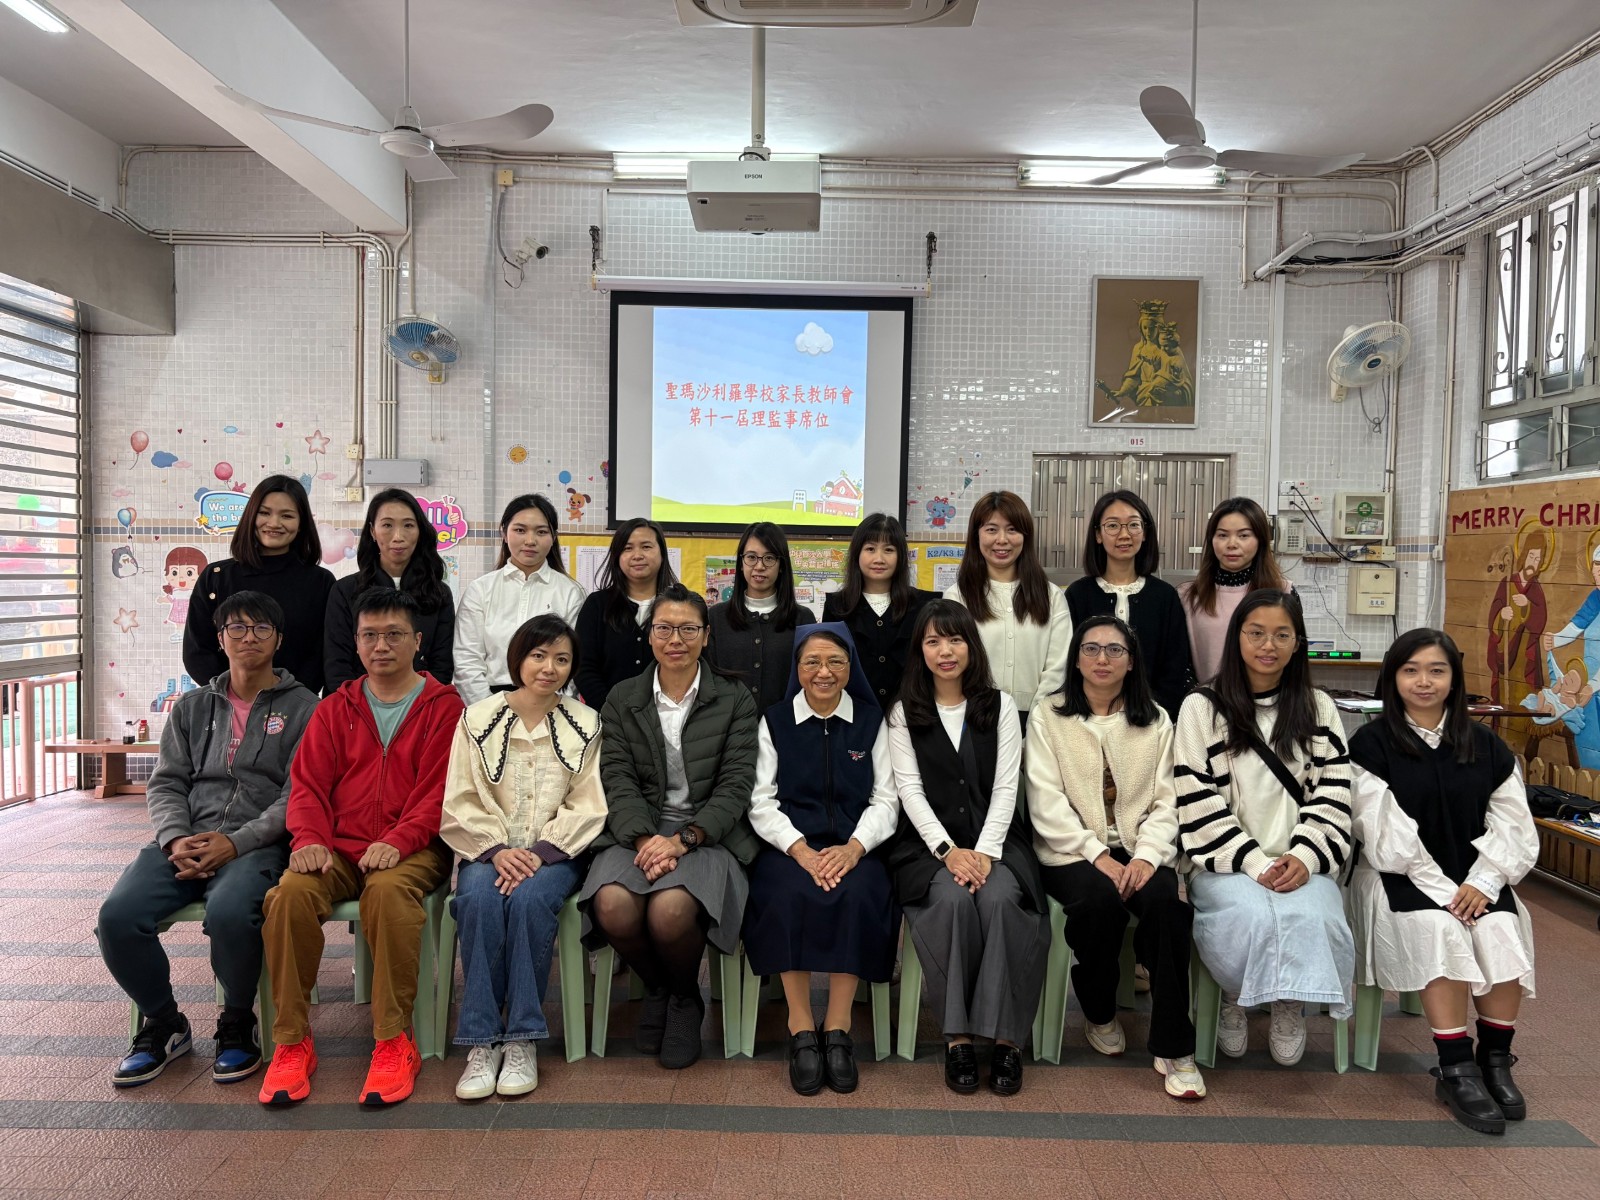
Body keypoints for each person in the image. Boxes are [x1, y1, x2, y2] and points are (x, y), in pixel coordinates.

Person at [97, 592, 317, 1087]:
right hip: (185, 841)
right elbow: (166, 782)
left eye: (261, 629)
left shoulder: (305, 708)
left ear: (279, 639)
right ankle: (163, 1022)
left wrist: (235, 843)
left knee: (232, 912)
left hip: (255, 845)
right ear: (220, 639)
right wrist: (176, 839)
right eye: (237, 628)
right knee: (118, 916)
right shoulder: (193, 706)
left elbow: (297, 795)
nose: (248, 638)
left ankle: (237, 1020)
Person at [256, 589, 464, 1108]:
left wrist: (398, 840)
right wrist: (309, 840)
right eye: (370, 635)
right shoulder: (334, 708)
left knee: (389, 894)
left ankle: (393, 1040)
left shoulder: (445, 707)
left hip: (415, 847)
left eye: (394, 634)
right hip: (339, 848)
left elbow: (439, 792)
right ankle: (291, 1042)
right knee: (289, 895)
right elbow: (307, 787)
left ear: (417, 641)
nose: (381, 646)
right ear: (356, 642)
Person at [1349, 629, 1537, 1135]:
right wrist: (1447, 892)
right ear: (1393, 678)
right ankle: (1455, 1068)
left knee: (1500, 928)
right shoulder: (1371, 744)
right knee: (1442, 929)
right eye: (1410, 670)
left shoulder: (1486, 745)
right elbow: (1384, 834)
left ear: (1454, 678)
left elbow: (1513, 825)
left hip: (1474, 876)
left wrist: (1485, 881)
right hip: (1397, 874)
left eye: (1437, 670)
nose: (1424, 681)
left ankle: (1495, 1060)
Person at [577, 583, 759, 1070]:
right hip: (637, 829)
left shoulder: (734, 698)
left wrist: (683, 840)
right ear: (650, 634)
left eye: (687, 629)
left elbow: (736, 786)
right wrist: (645, 839)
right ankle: (665, 987)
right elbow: (615, 779)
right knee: (612, 904)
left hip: (709, 834)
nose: (675, 639)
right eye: (664, 628)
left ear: (706, 636)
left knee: (671, 910)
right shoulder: (622, 698)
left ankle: (683, 1000)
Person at [1174, 588, 1354, 1066]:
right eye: (1256, 633)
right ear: (1237, 638)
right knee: (1250, 915)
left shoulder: (1318, 707)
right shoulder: (1200, 707)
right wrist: (1254, 863)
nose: (1267, 645)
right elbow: (1194, 796)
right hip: (1225, 864)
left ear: (1298, 643)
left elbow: (1334, 794)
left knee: (1313, 915)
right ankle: (1236, 994)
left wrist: (1304, 856)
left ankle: (1288, 1003)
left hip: (1302, 862)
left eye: (1281, 635)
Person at [1025, 615, 1202, 1100]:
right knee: (1098, 903)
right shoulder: (1048, 715)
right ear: (1076, 658)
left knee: (1167, 906)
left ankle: (1175, 1047)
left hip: (1143, 846)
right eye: (1091, 649)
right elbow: (1045, 800)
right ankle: (1099, 1010)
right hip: (1070, 850)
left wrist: (1147, 856)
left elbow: (1169, 801)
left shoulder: (1156, 719)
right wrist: (1097, 854)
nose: (1102, 659)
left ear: (1131, 661)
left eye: (1114, 650)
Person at [885, 599, 1048, 1096]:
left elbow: (1006, 786)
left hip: (996, 843)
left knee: (1001, 900)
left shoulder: (999, 707)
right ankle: (957, 1038)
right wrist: (948, 851)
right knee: (951, 902)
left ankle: (1006, 1040)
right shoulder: (903, 713)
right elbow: (909, 790)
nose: (946, 651)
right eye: (933, 641)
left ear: (971, 646)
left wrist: (984, 851)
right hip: (928, 848)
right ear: (920, 650)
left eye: (955, 639)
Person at [441, 615, 607, 1099]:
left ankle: (521, 1039)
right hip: (485, 851)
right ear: (518, 658)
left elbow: (588, 801)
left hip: (556, 855)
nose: (549, 668)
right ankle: (481, 1041)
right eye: (538, 655)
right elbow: (460, 797)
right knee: (477, 900)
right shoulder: (477, 718)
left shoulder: (586, 722)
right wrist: (497, 851)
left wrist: (539, 853)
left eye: (561, 659)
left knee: (531, 902)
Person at [743, 624, 900, 1095]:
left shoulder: (871, 721)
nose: (823, 672)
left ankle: (838, 1025)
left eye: (835, 661)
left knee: (861, 893)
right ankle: (799, 1024)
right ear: (797, 668)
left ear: (850, 668)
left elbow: (886, 798)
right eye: (811, 662)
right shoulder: (775, 721)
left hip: (855, 846)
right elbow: (760, 800)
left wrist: (855, 847)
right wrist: (799, 849)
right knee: (783, 894)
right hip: (790, 847)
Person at [183, 475, 335, 694]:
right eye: (264, 513)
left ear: (301, 523)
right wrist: (235, 695)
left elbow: (324, 653)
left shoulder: (320, 582)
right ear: (251, 516)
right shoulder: (215, 577)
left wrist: (293, 699)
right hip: (227, 703)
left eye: (287, 515)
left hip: (297, 706)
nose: (274, 523)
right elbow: (197, 651)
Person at [944, 490, 1072, 727]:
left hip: (1039, 718)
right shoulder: (957, 596)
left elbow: (1059, 666)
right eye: (991, 529)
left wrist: (1037, 720)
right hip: (975, 717)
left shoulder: (1051, 596)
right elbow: (954, 663)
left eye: (1012, 529)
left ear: (1025, 536)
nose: (1002, 539)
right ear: (976, 535)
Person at [1063, 490, 1194, 720]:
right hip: (1085, 717)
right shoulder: (1078, 594)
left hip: (1150, 719)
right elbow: (1068, 661)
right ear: (1098, 534)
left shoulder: (1165, 596)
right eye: (1113, 526)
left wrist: (1153, 714)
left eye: (1133, 525)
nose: (1124, 534)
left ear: (1145, 533)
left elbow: (1176, 666)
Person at [455, 495, 584, 705]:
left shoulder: (571, 592)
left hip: (552, 703)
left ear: (553, 537)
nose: (530, 540)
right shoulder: (480, 590)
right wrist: (490, 711)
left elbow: (574, 661)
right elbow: (466, 660)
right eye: (520, 530)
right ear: (504, 533)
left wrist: (555, 710)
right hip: (490, 701)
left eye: (541, 532)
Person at [325, 488, 456, 692]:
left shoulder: (439, 593)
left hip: (422, 705)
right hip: (355, 704)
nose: (398, 536)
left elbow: (442, 667)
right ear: (372, 531)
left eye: (408, 525)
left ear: (420, 531)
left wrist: (417, 705)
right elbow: (337, 667)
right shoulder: (345, 590)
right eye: (387, 525)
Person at [822, 513, 938, 710]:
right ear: (857, 554)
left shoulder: (924, 605)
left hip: (912, 714)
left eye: (889, 550)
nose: (879, 558)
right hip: (853, 714)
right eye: (870, 549)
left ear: (901, 556)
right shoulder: (836, 606)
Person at [705, 522, 816, 715]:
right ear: (741, 563)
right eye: (751, 557)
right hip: (727, 727)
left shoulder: (802, 619)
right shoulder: (715, 617)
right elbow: (708, 681)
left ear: (781, 566)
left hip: (784, 726)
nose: (759, 566)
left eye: (769, 558)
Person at [1178, 497, 1288, 686]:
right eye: (1222, 535)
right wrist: (1200, 698)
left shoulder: (1284, 592)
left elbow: (1293, 656)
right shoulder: (1187, 595)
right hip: (1205, 699)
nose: (1232, 544)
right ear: (1212, 540)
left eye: (1243, 535)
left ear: (1260, 540)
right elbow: (1178, 663)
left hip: (1268, 700)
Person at [575, 518, 677, 711]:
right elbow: (584, 668)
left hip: (669, 715)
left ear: (662, 553)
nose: (637, 555)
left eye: (646, 547)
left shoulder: (680, 606)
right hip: (608, 718)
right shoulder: (597, 605)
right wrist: (613, 713)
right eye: (627, 548)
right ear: (617, 556)